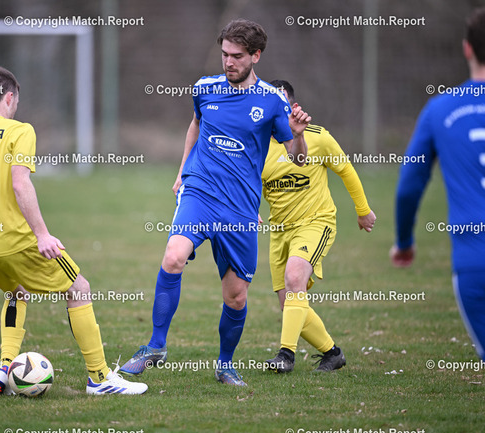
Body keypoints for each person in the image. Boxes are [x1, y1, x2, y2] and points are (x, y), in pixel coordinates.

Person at [0, 66, 147, 395]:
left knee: (16, 292)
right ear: (9, 97)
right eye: (16, 101)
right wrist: (42, 234)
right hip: (15, 240)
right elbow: (20, 183)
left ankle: (5, 367)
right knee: (79, 288)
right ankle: (100, 379)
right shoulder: (19, 131)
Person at [120, 19, 310, 386]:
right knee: (173, 257)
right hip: (201, 191)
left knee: (236, 296)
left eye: (237, 56)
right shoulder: (204, 88)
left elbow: (297, 158)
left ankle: (225, 364)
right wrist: (182, 170)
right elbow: (195, 124)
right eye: (224, 54)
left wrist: (299, 137)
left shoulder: (272, 100)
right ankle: (155, 346)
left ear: (256, 56)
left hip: (240, 208)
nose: (228, 62)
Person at [261, 80, 376, 373]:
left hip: (316, 222)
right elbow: (247, 185)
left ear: (293, 107)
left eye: (282, 105)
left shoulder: (317, 137)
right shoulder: (257, 144)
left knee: (295, 276)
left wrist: (363, 211)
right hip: (279, 231)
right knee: (290, 304)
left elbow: (345, 169)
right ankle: (332, 353)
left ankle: (286, 355)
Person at [390, 8, 485, 361]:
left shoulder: (440, 110)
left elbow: (409, 186)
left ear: (467, 48)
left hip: (475, 260)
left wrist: (404, 243)